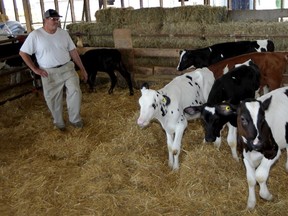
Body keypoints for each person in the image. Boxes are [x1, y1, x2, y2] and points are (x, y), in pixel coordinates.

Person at [19, 9, 88, 131]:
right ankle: (59, 122)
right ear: (45, 20)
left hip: (67, 68)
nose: (56, 21)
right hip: (49, 72)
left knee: (75, 91)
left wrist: (82, 68)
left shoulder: (63, 33)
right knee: (53, 98)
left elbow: (73, 51)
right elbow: (23, 53)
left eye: (57, 19)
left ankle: (75, 119)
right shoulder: (35, 35)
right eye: (53, 19)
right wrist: (35, 69)